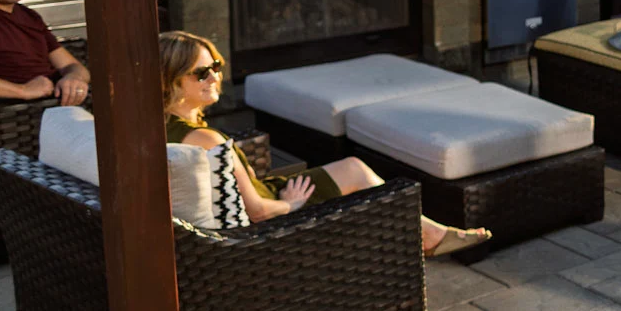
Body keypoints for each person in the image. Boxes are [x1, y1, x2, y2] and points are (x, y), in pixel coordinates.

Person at [159, 30, 490, 255]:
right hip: (271, 215)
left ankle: (424, 233)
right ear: (172, 81)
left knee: (354, 168)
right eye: (201, 73)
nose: (215, 77)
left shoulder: (162, 127)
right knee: (357, 175)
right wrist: (292, 205)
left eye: (216, 66)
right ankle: (428, 236)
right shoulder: (206, 139)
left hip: (260, 199)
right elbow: (258, 212)